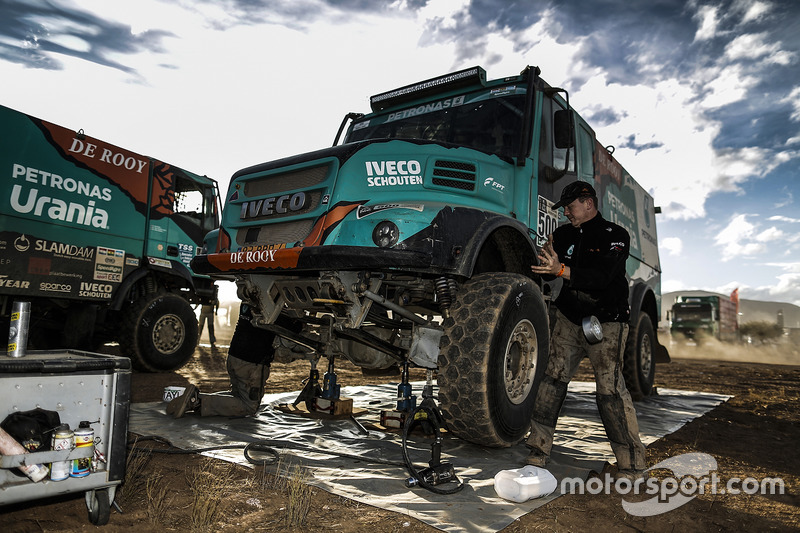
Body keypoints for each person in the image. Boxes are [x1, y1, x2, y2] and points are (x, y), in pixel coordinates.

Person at [527, 180, 647, 480]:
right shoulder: (564, 234)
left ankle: (632, 466)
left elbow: (603, 277)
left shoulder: (616, 235)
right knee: (551, 384)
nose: (566, 212)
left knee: (610, 392)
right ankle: (537, 453)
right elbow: (550, 261)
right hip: (568, 319)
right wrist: (546, 259)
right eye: (564, 208)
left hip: (607, 321)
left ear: (589, 203)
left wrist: (561, 271)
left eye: (570, 206)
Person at [167, 304, 279, 418]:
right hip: (251, 364)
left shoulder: (248, 299)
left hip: (233, 357)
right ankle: (196, 401)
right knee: (249, 406)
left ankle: (195, 398)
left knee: (237, 396)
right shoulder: (278, 307)